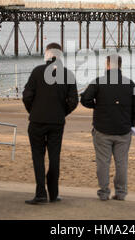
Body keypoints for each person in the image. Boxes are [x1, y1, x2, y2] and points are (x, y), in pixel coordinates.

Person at [80, 54, 135, 201]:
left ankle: (104, 192)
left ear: (107, 65)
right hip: (123, 130)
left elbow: (84, 99)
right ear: (120, 66)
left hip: (102, 129)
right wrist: (131, 123)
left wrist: (95, 106)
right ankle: (121, 193)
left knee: (103, 162)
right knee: (121, 163)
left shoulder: (98, 82)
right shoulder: (131, 84)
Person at [22, 43, 78, 204]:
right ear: (60, 56)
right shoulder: (68, 74)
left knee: (38, 157)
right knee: (55, 157)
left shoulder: (37, 72)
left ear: (47, 54)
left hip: (37, 121)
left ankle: (40, 194)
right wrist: (62, 112)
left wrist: (33, 111)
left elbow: (26, 96)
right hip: (57, 122)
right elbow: (74, 101)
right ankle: (53, 194)